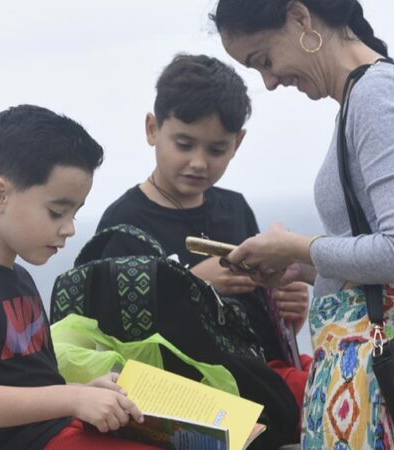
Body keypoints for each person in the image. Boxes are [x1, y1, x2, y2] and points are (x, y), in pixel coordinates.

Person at [211, 0, 394, 448]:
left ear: (301, 17)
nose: (268, 82)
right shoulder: (369, 93)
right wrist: (302, 270)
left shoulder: (377, 96)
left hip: (372, 369)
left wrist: (297, 247)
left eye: (264, 59)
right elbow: (379, 252)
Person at [0, 105, 161, 450]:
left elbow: (36, 384)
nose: (69, 228)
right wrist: (73, 397)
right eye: (57, 211)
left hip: (59, 433)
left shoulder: (19, 277)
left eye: (75, 212)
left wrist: (86, 393)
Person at [95, 53, 312, 408]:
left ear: (237, 143)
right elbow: (114, 339)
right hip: (182, 395)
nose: (199, 162)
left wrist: (287, 310)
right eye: (184, 144)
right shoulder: (124, 224)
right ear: (153, 129)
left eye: (216, 149)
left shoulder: (235, 208)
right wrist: (194, 285)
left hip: (256, 377)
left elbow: (253, 320)